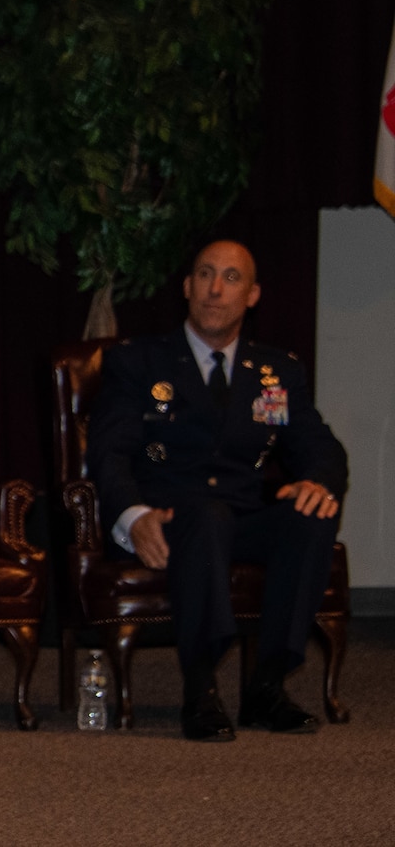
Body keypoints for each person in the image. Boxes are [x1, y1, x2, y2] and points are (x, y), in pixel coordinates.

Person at [88, 239, 346, 742]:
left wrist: (319, 482)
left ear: (252, 295)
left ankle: (267, 687)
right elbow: (109, 451)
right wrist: (133, 515)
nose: (214, 289)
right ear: (187, 288)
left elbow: (318, 444)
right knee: (207, 517)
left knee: (310, 515)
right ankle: (201, 690)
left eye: (231, 279)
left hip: (244, 515)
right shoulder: (139, 362)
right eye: (205, 275)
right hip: (172, 515)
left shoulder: (276, 372)